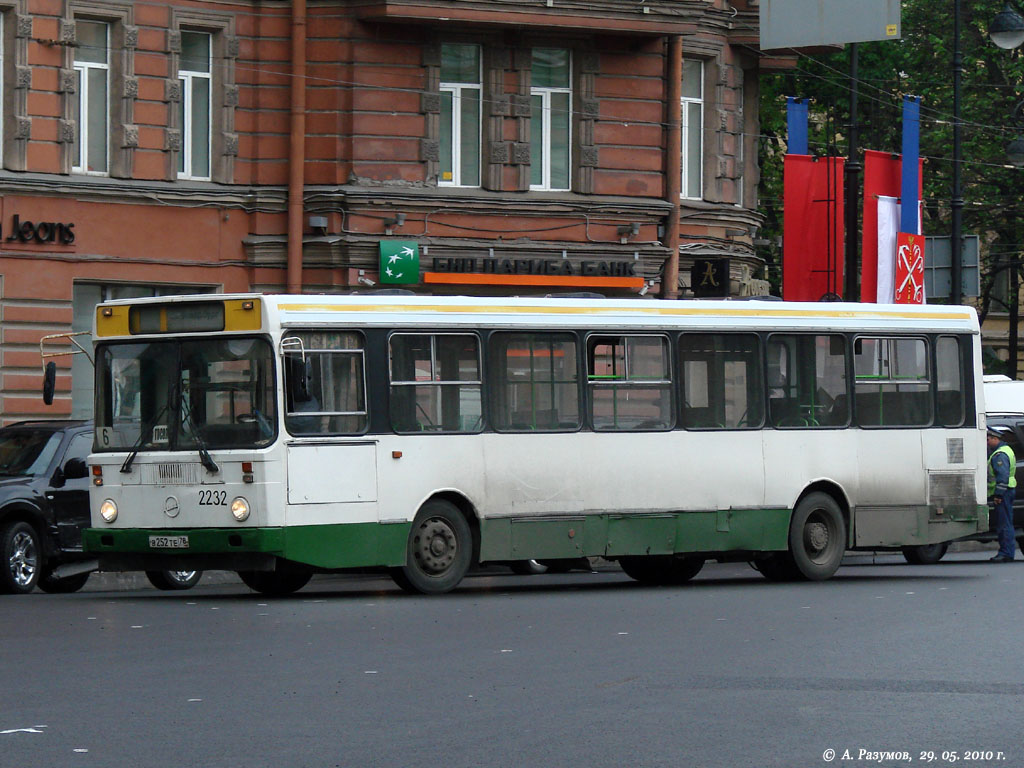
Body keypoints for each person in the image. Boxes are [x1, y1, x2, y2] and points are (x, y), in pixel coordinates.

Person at [986, 426, 1019, 563]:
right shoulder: (1005, 450)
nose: (986, 443)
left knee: (1004, 524)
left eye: (988, 440)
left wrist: (998, 495)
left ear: (995, 438)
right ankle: (1007, 552)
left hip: (1003, 493)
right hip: (1008, 491)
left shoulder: (1000, 455)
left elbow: (1002, 476)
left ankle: (1006, 553)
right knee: (1006, 522)